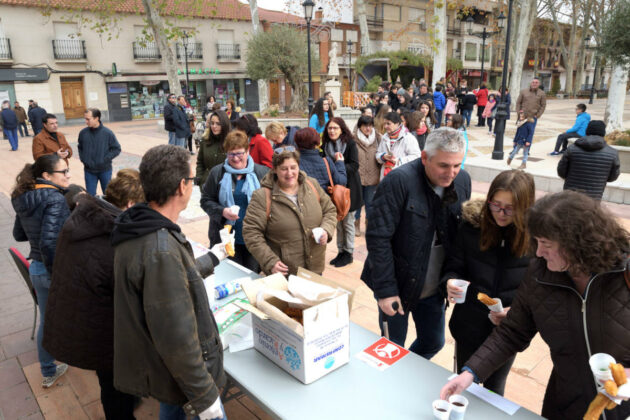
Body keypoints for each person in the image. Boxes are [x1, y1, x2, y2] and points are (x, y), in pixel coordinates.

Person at [440, 190, 630, 420]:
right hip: (564, 404)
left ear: (578, 242)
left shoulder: (623, 273)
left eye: (546, 244)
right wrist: (470, 373)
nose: (538, 252)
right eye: (536, 242)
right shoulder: (540, 274)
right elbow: (512, 332)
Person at [112, 145, 229, 420]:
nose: (192, 185)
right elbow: (177, 338)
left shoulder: (140, 227)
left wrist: (212, 258)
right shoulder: (160, 248)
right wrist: (206, 398)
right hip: (183, 378)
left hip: (167, 373)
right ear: (181, 186)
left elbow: (173, 283)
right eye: (192, 180)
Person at [362, 128, 471, 359]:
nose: (451, 172)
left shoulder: (463, 181)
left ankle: (407, 371)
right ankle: (392, 385)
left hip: (434, 287)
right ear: (424, 158)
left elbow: (460, 237)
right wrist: (386, 291)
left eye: (456, 165)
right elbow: (378, 238)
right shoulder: (398, 182)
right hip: (398, 285)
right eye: (443, 165)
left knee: (434, 341)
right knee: (391, 350)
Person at [43, 169, 144, 420]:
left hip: (84, 319)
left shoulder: (85, 217)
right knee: (114, 389)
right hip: (101, 331)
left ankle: (129, 402)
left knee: (112, 384)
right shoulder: (112, 238)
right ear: (130, 204)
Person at [443, 170, 535, 396]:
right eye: (496, 204)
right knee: (465, 385)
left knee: (494, 389)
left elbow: (539, 294)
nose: (501, 213)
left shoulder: (537, 241)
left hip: (506, 330)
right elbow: (454, 265)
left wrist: (516, 314)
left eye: (510, 208)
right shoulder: (472, 227)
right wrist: (450, 281)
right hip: (469, 323)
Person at [11, 154, 71, 387]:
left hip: (37, 268)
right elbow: (48, 243)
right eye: (63, 172)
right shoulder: (54, 199)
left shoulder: (23, 195)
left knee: (47, 321)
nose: (68, 175)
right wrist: (58, 274)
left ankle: (48, 369)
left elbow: (19, 234)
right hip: (52, 269)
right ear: (47, 176)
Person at [243, 148, 337, 276]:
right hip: (285, 273)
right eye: (284, 169)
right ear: (275, 170)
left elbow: (329, 210)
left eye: (293, 167)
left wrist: (326, 229)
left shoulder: (311, 185)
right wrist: (270, 261)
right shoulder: (262, 196)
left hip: (315, 269)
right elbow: (251, 232)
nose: (290, 173)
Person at [200, 130, 269, 271]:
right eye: (231, 154)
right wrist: (222, 211)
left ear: (247, 151)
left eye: (239, 153)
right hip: (227, 238)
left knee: (252, 275)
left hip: (254, 238)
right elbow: (205, 200)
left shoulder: (262, 173)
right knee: (231, 274)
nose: (236, 158)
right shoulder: (217, 173)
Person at [323, 117, 363, 268]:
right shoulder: (326, 145)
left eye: (335, 128)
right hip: (334, 190)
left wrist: (338, 165)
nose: (332, 131)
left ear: (342, 129)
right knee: (338, 222)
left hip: (349, 190)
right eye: (330, 128)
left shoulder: (350, 144)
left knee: (348, 223)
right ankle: (340, 251)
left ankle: (349, 252)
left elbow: (354, 166)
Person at [557, 120, 620, 200]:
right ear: (603, 133)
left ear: (587, 131)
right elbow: (613, 177)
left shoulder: (572, 149)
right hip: (594, 199)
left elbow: (561, 171)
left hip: (570, 196)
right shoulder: (613, 153)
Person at [78, 108, 122, 196]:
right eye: (85, 119)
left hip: (105, 170)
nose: (86, 122)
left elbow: (116, 149)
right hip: (89, 171)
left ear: (96, 118)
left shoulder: (107, 133)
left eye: (88, 119)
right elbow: (80, 147)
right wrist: (84, 159)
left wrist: (104, 159)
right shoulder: (83, 133)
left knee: (108, 195)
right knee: (90, 196)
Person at [353, 116, 381, 237]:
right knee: (358, 203)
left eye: (370, 125)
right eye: (365, 126)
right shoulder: (353, 139)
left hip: (373, 176)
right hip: (357, 177)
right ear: (360, 126)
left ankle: (369, 224)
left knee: (370, 203)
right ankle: (356, 224)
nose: (368, 128)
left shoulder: (378, 138)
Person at [376, 111, 421, 179]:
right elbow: (378, 153)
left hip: (402, 176)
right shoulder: (384, 137)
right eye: (384, 123)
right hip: (385, 176)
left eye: (388, 124)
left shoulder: (408, 138)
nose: (385, 126)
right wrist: (383, 156)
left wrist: (399, 160)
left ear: (397, 124)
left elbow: (416, 156)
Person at [196, 110, 229, 186]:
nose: (214, 126)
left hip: (225, 186)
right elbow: (200, 162)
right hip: (206, 184)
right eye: (212, 123)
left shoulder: (232, 142)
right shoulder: (205, 140)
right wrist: (200, 178)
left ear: (224, 124)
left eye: (218, 124)